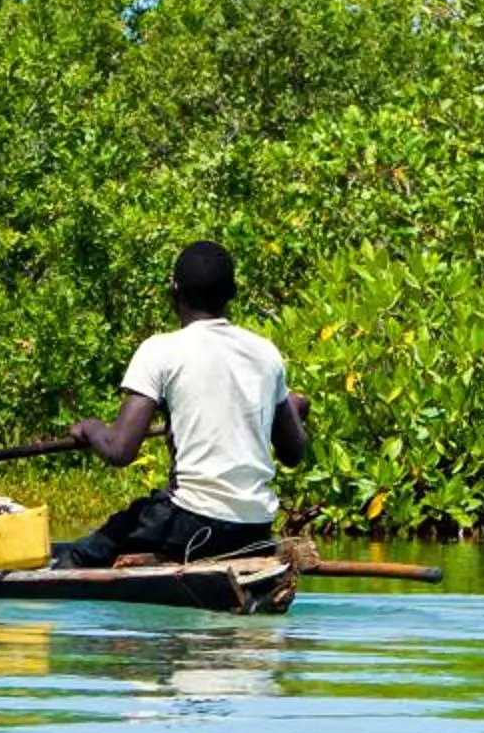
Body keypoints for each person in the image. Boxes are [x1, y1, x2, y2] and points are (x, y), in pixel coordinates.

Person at [52, 240, 313, 568]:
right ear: (231, 292)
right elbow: (294, 453)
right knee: (128, 527)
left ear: (174, 292)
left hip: (189, 523)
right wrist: (293, 412)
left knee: (76, 556)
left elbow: (120, 451)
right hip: (254, 529)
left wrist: (90, 429)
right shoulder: (266, 353)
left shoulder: (160, 350)